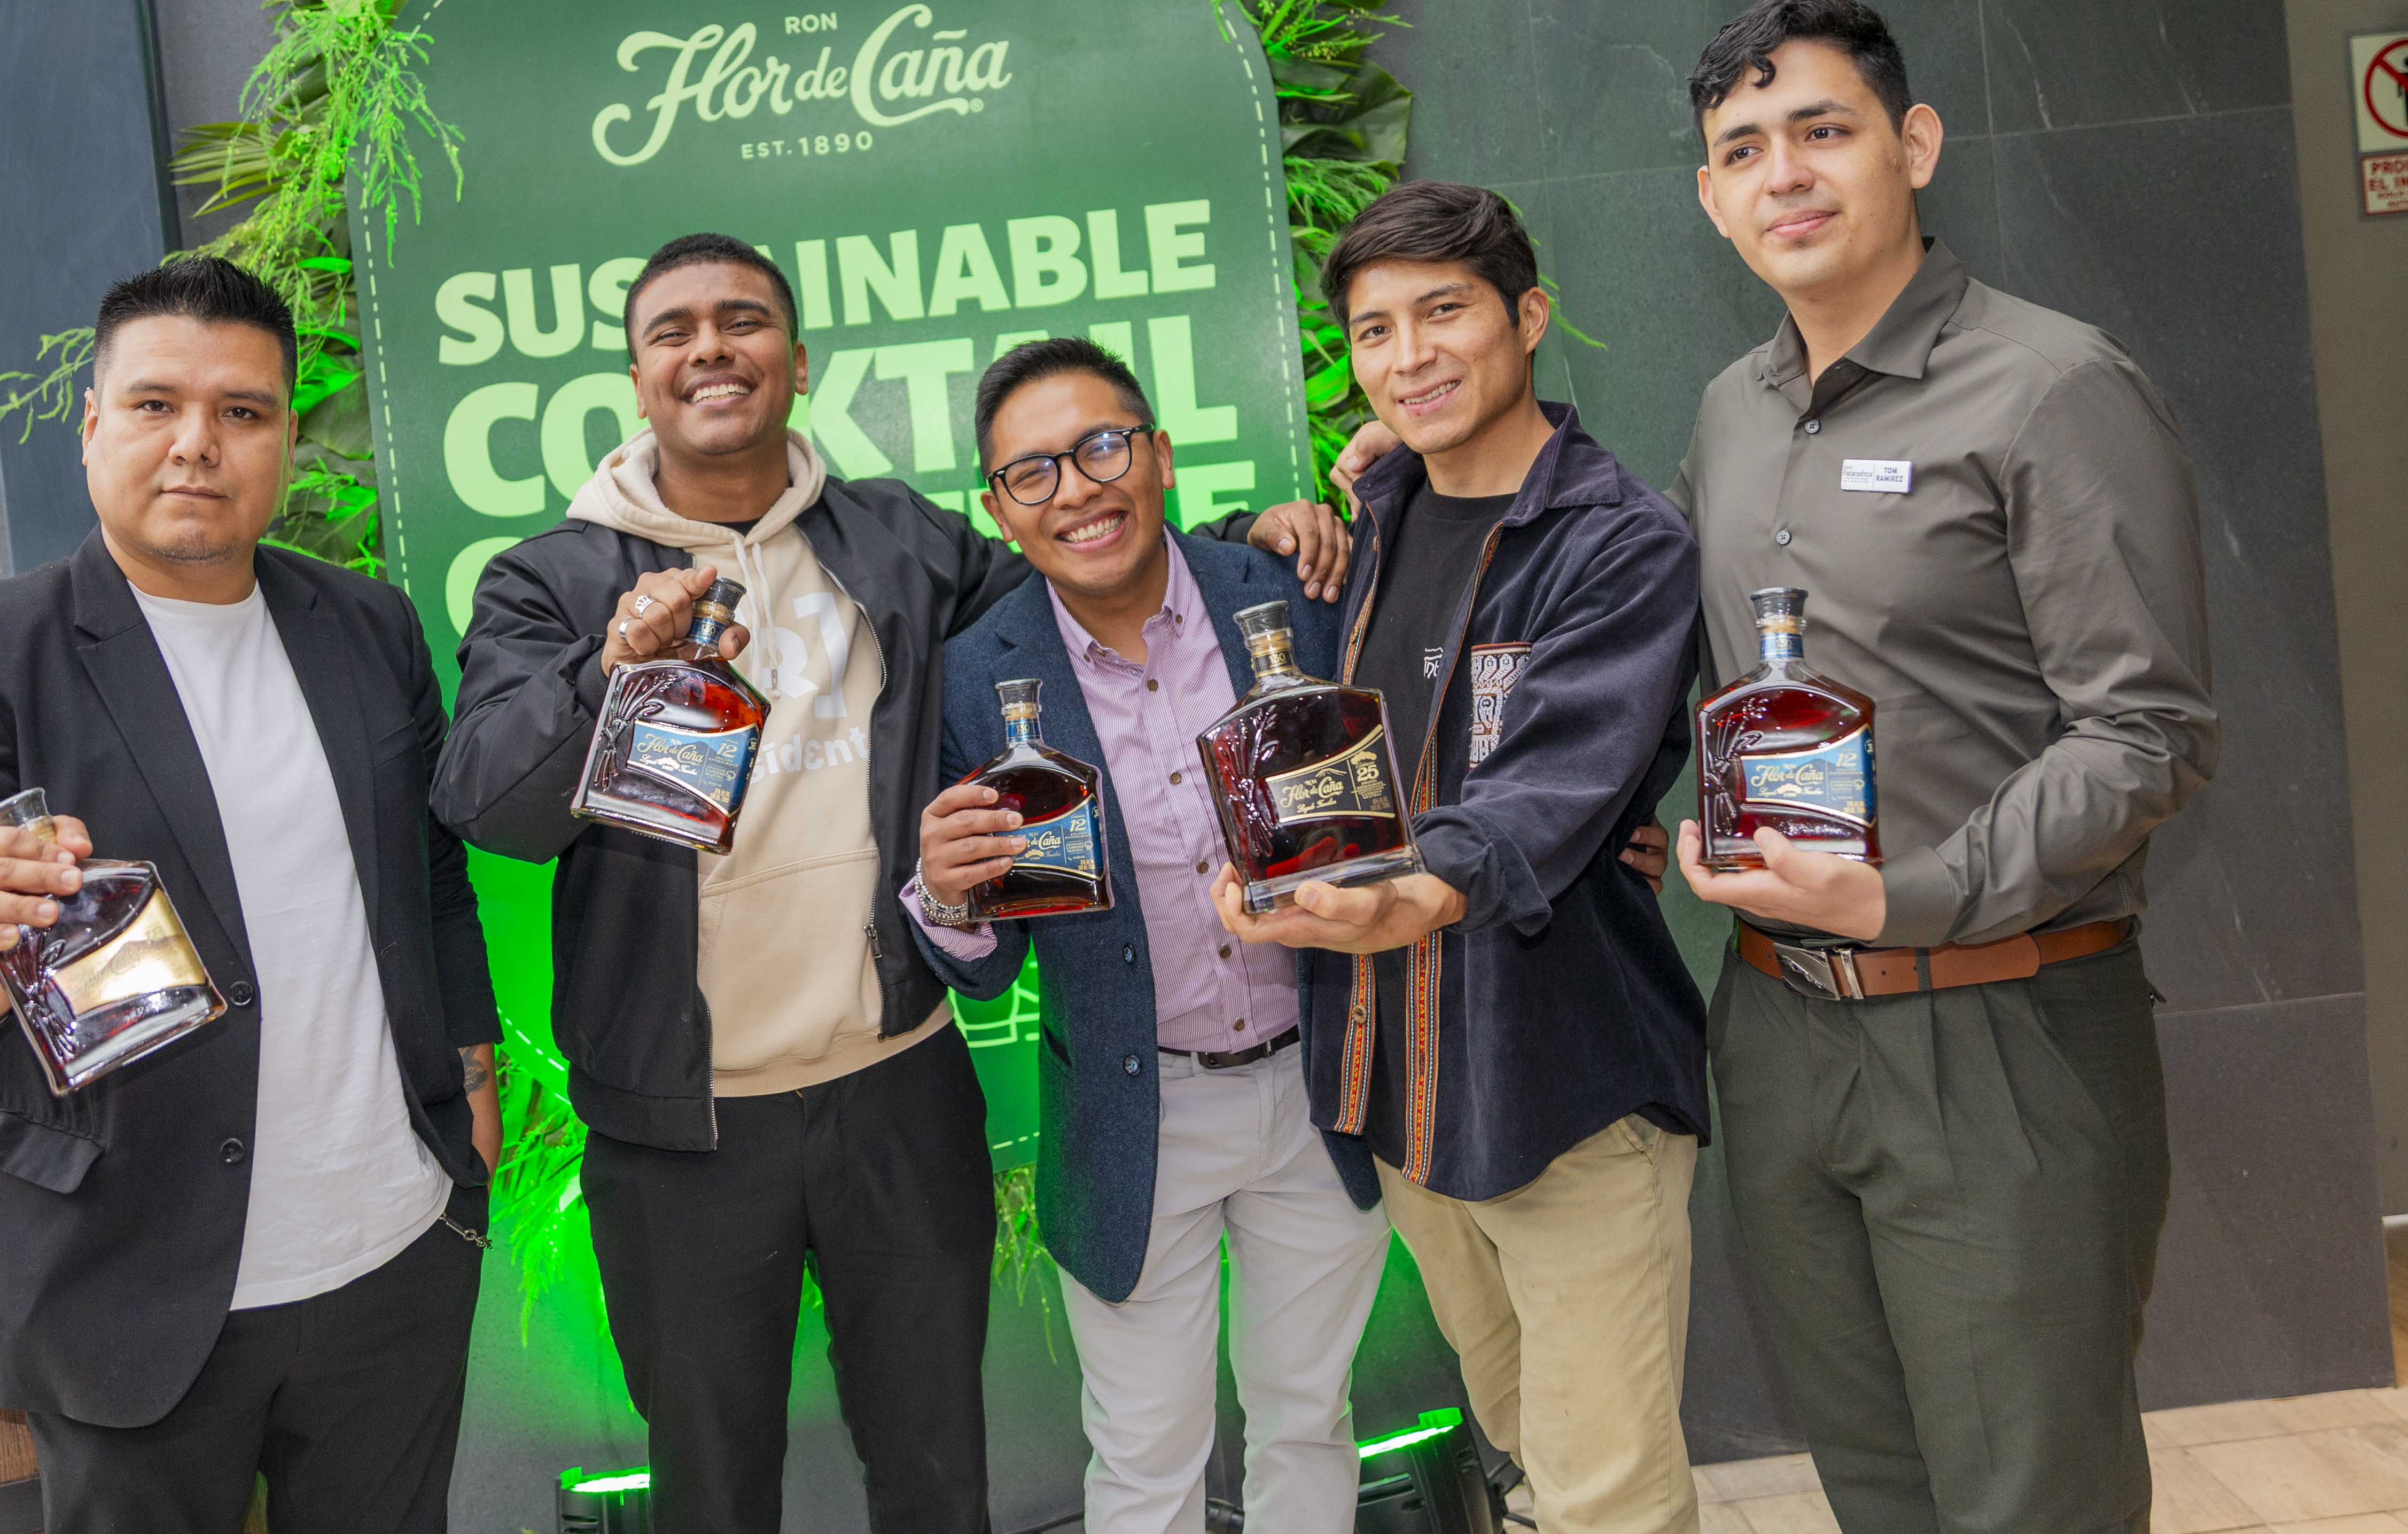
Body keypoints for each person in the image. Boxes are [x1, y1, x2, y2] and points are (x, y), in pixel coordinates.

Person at [428, 233, 1348, 1534]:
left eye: (743, 321)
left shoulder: (900, 539)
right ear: (636, 381)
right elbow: (489, 805)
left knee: (937, 1478)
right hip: (682, 1127)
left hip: (901, 1091)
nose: (711, 348)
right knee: (712, 1490)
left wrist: (1244, 541)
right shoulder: (554, 579)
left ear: (799, 363)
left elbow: (1078, 564)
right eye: (673, 331)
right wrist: (607, 673)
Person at [1664, 0, 2216, 1532]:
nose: (1785, 175)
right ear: (1709, 198)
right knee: (1880, 1494)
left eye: (1822, 131)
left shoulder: (2051, 386)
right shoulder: (1730, 413)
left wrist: (1900, 898)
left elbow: (2147, 733)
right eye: (1744, 150)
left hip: (2000, 1032)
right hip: (1781, 1034)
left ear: (1913, 144)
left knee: (2030, 1500)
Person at [0, 256, 501, 1534]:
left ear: (285, 444)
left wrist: (471, 1090)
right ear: (93, 424)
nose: (197, 443)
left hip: (390, 1250)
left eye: (241, 412)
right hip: (128, 1277)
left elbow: (430, 877)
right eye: (157, 405)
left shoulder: (367, 626)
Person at [1221, 182, 1710, 1534]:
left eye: (1444, 312)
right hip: (1408, 1105)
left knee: (1610, 1498)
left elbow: (1547, 787)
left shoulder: (1617, 542)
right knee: (1525, 1462)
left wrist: (1410, 890)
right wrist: (1259, 530)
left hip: (1565, 1095)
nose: (1411, 355)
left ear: (1528, 317)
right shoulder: (1372, 521)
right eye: (1375, 331)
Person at [909, 339, 1389, 1534]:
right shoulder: (971, 681)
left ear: (1160, 456)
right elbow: (989, 964)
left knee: (1309, 1417)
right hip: (1133, 1112)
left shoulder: (1293, 592)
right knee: (1144, 1458)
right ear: (1000, 510)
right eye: (1032, 473)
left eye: (1102, 448)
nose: (1076, 490)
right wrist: (951, 894)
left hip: (1319, 1086)